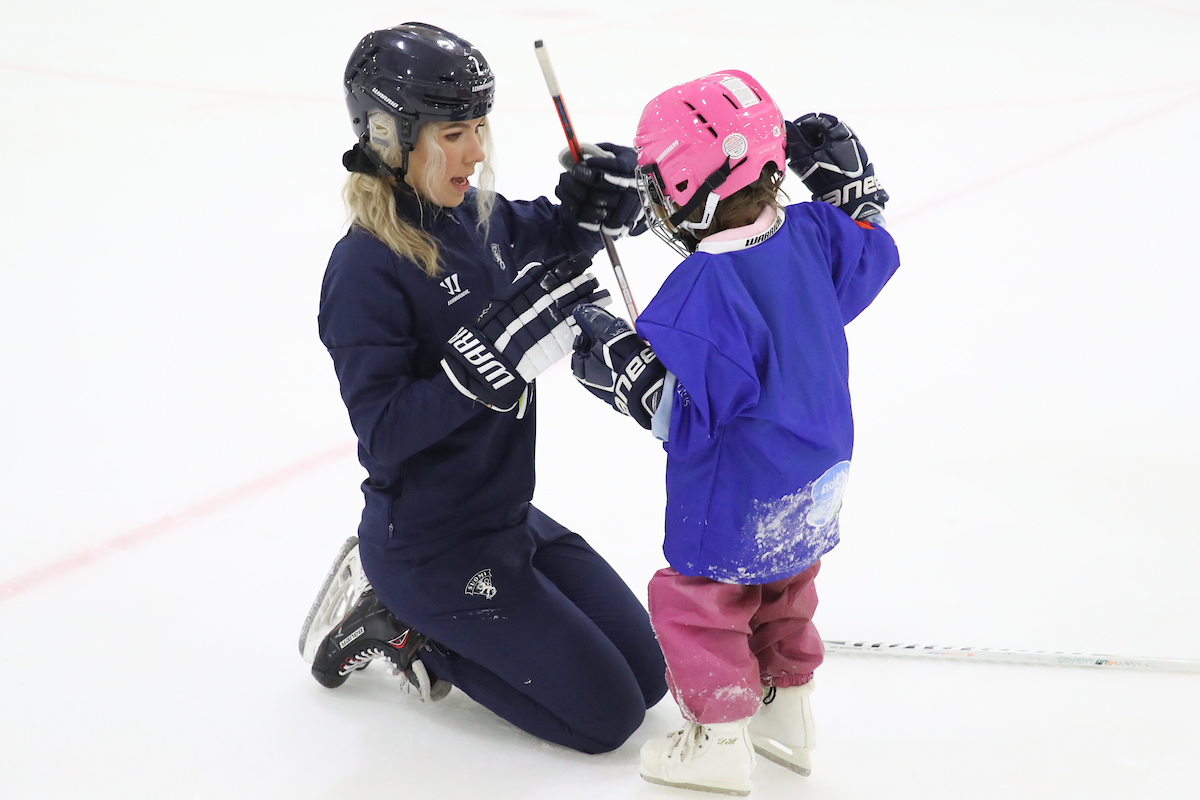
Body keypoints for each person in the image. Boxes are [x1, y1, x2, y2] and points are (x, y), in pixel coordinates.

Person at [298, 22, 667, 756]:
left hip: (507, 517)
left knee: (649, 676)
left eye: (479, 128)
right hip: (431, 548)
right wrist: (479, 369)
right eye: (453, 133)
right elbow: (385, 431)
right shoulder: (363, 271)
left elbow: (556, 235)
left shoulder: (475, 217)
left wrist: (596, 207)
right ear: (388, 136)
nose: (476, 152)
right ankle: (405, 629)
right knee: (608, 720)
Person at [569, 70, 900, 793]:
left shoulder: (701, 289)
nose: (652, 195)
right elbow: (870, 255)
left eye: (657, 180)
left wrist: (627, 373)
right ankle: (789, 717)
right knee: (785, 583)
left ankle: (719, 739)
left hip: (738, 485)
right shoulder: (812, 232)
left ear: (689, 189)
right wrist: (857, 196)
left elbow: (691, 416)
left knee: (699, 603)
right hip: (819, 472)